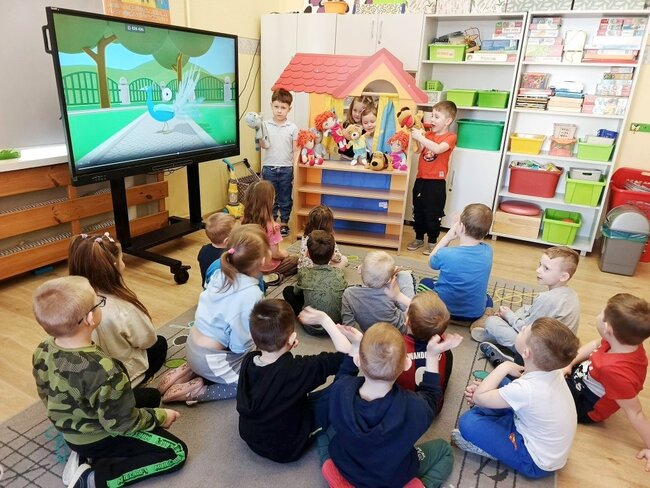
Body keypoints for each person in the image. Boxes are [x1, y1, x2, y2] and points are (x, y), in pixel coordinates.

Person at [32, 276, 187, 488]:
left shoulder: (43, 348)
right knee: (176, 452)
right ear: (90, 318)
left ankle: (82, 453)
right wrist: (160, 417)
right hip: (98, 436)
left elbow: (45, 394)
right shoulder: (104, 370)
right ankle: (94, 480)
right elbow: (123, 424)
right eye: (98, 302)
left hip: (71, 427)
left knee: (151, 396)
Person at [320, 322, 455, 488]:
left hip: (346, 463)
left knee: (324, 434)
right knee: (444, 450)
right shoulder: (414, 408)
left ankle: (340, 479)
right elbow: (432, 397)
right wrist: (432, 356)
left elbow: (343, 374)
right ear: (407, 364)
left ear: (357, 360)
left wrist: (356, 345)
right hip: (391, 478)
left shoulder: (340, 389)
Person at [453, 317, 579, 479]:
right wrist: (485, 393)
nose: (523, 327)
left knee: (468, 422)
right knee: (499, 384)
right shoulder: (551, 370)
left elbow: (479, 397)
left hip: (533, 461)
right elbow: (523, 395)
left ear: (526, 353)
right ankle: (490, 408)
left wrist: (504, 366)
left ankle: (493, 450)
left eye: (525, 330)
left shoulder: (527, 389)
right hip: (534, 433)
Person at [158, 224, 269, 404]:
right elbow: (239, 345)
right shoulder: (252, 294)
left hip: (193, 345)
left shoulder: (220, 274)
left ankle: (190, 369)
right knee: (250, 381)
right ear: (262, 261)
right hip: (211, 359)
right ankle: (197, 391)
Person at [236, 301, 348, 463]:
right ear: (293, 338)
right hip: (287, 449)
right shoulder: (298, 369)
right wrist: (324, 319)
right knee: (346, 387)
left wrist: (286, 346)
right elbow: (347, 356)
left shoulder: (248, 360)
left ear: (253, 337)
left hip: (250, 436)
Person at [68, 232, 166, 407]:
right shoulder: (123, 308)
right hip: (117, 383)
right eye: (121, 258)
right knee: (159, 345)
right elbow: (147, 340)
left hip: (86, 383)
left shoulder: (66, 304)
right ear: (113, 265)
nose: (123, 263)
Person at [564, 293, 650, 471]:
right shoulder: (624, 343)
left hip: (585, 405)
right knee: (558, 355)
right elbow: (596, 344)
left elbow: (636, 413)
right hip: (584, 377)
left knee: (543, 378)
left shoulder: (615, 372)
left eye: (602, 313)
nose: (599, 314)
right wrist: (570, 363)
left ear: (607, 328)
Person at [474, 246, 581, 364]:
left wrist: (508, 316)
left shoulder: (547, 299)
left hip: (542, 355)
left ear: (563, 276)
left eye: (546, 268)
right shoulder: (571, 294)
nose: (538, 270)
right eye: (540, 265)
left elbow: (528, 330)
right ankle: (499, 335)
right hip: (558, 349)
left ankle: (512, 351)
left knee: (492, 321)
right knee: (525, 309)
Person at [418, 203, 494, 322]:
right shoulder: (488, 251)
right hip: (474, 314)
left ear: (461, 227)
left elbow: (431, 262)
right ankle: (483, 319)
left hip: (442, 310)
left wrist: (447, 238)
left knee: (425, 282)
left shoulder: (446, 254)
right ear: (487, 232)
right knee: (487, 298)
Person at [407, 101, 458, 254]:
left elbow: (437, 149)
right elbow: (419, 150)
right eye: (432, 116)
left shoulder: (450, 137)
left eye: (436, 117)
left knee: (433, 213)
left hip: (436, 183)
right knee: (418, 211)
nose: (432, 120)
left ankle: (433, 241)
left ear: (447, 121)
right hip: (421, 180)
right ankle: (419, 238)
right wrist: (417, 136)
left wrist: (420, 137)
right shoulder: (428, 135)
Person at [397, 292, 461, 411]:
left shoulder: (397, 346)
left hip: (401, 410)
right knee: (447, 356)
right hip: (432, 407)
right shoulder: (443, 346)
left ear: (407, 321)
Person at [283, 230, 348, 334]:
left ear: (308, 254)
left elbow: (296, 292)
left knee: (288, 291)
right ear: (332, 255)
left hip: (311, 327)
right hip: (335, 324)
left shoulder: (304, 273)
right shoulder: (338, 273)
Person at [341, 250, 415, 333]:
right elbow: (405, 307)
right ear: (389, 280)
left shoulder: (349, 293)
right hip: (401, 330)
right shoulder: (389, 291)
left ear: (359, 270)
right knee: (404, 275)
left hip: (371, 333)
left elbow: (348, 325)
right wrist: (391, 279)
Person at [242, 180, 298, 282]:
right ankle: (268, 277)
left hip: (249, 266)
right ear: (269, 202)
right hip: (267, 267)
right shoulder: (272, 227)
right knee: (295, 260)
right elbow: (275, 254)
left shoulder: (244, 222)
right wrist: (284, 254)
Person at [260, 87, 299, 237]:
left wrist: (296, 168)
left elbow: (295, 150)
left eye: (283, 107)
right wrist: (258, 131)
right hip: (269, 167)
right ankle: (270, 221)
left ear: (289, 109)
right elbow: (263, 145)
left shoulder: (292, 127)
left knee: (285, 197)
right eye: (276, 106)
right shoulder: (265, 125)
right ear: (271, 106)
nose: (279, 110)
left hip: (286, 168)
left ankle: (284, 223)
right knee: (269, 197)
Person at [298, 204, 347, 269]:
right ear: (329, 225)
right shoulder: (329, 240)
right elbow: (337, 258)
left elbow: (303, 255)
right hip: (322, 270)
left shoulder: (305, 236)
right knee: (344, 259)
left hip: (304, 269)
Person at [197, 212, 236, 287]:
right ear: (227, 240)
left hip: (208, 287)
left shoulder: (204, 250)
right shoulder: (230, 255)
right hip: (225, 289)